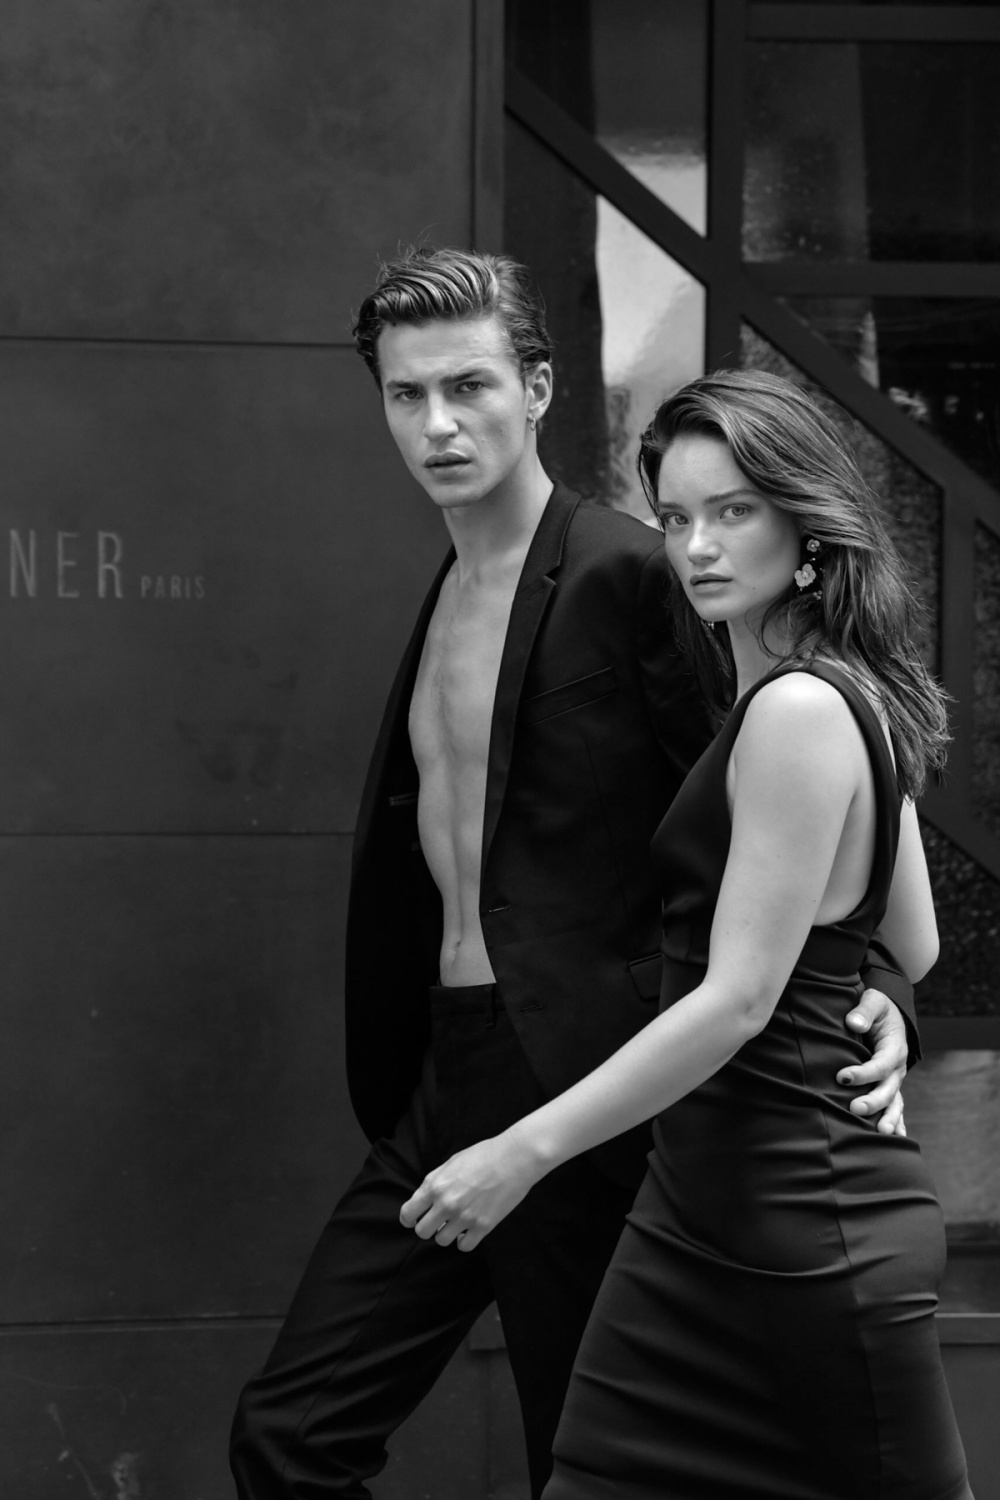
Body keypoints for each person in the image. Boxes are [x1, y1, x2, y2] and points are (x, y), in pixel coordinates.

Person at [230, 253, 915, 1500]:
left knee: (584, 1461)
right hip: (444, 1074)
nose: (438, 424)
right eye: (406, 395)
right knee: (289, 1436)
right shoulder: (449, 589)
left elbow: (795, 794)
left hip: (595, 1081)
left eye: (470, 386)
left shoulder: (643, 571)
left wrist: (879, 989)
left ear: (538, 389)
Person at [400, 367, 971, 1499]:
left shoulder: (800, 710)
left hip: (800, 1217)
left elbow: (739, 998)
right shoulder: (833, 693)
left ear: (806, 527)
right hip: (705, 1209)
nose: (697, 546)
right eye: (673, 517)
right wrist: (874, 1003)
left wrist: (519, 1153)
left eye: (734, 511)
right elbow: (909, 945)